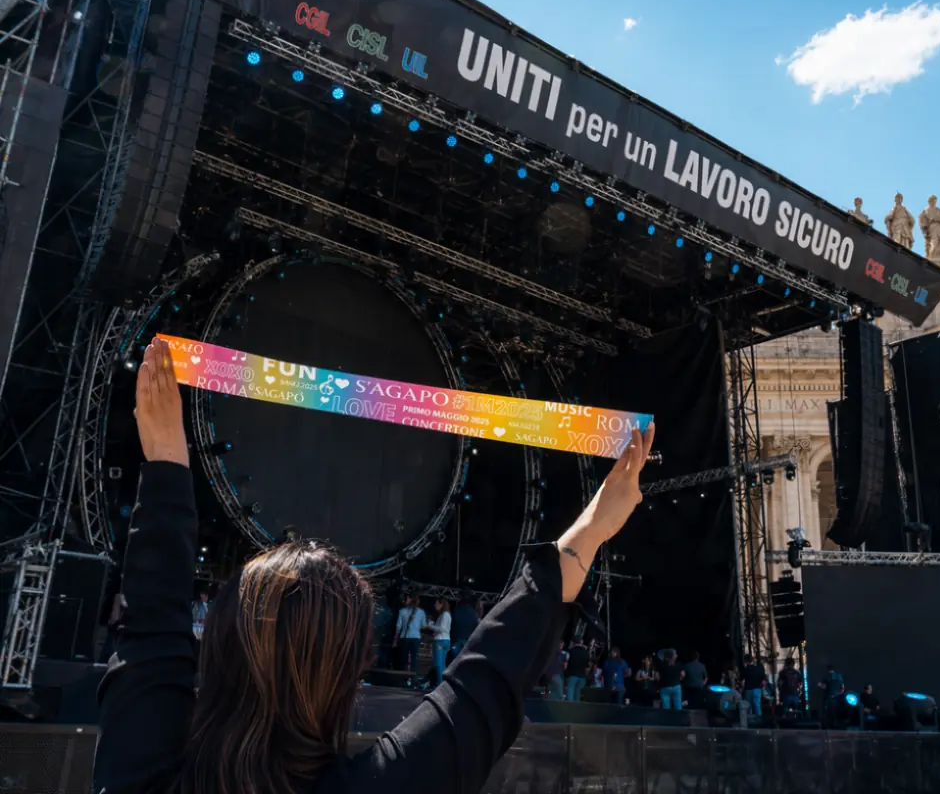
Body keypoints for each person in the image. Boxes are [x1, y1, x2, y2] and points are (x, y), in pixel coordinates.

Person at [92, 337, 656, 794]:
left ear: (215, 641)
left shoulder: (141, 773)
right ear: (349, 673)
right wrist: (594, 528)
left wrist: (166, 461)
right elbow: (488, 678)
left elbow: (151, 630)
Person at [391, 593, 427, 678]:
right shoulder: (421, 612)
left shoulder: (402, 611)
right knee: (414, 660)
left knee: (403, 659)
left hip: (404, 637)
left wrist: (395, 640)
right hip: (416, 638)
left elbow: (398, 627)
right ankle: (413, 680)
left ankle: (402, 678)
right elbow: (424, 625)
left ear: (409, 599)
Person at [428, 598, 452, 686]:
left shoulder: (444, 615)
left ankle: (439, 684)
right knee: (442, 664)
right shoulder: (446, 614)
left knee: (438, 664)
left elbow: (441, 628)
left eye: (436, 603)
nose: (435, 605)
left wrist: (430, 626)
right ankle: (442, 684)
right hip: (446, 640)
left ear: (441, 604)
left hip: (440, 641)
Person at [817, 663, 844, 728]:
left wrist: (819, 685)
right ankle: (837, 725)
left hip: (829, 697)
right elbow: (842, 687)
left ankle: (829, 726)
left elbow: (824, 687)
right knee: (836, 712)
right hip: (838, 697)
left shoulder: (827, 677)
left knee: (828, 713)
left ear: (827, 669)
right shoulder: (839, 676)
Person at [564, 637, 590, 702]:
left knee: (570, 697)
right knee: (577, 697)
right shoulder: (586, 653)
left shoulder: (570, 652)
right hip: (582, 677)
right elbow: (587, 666)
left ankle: (570, 710)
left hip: (572, 676)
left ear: (573, 642)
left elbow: (566, 664)